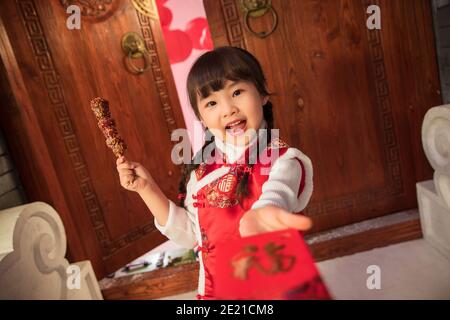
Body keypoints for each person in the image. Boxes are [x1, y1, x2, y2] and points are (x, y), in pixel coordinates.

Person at [116, 46, 314, 299]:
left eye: (238, 92)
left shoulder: (283, 161)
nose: (228, 109)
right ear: (201, 116)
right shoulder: (200, 172)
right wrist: (147, 189)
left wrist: (261, 219)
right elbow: (193, 235)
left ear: (263, 93)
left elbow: (276, 196)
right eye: (211, 102)